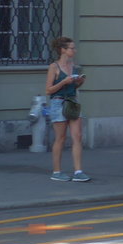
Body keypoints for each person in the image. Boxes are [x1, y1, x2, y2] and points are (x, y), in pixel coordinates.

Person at [45, 36, 90, 182]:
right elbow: (48, 90)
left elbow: (74, 87)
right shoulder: (54, 67)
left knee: (77, 136)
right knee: (61, 138)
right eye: (72, 48)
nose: (74, 50)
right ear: (63, 50)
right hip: (58, 103)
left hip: (72, 102)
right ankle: (57, 172)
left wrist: (79, 82)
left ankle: (78, 171)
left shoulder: (74, 67)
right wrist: (64, 81)